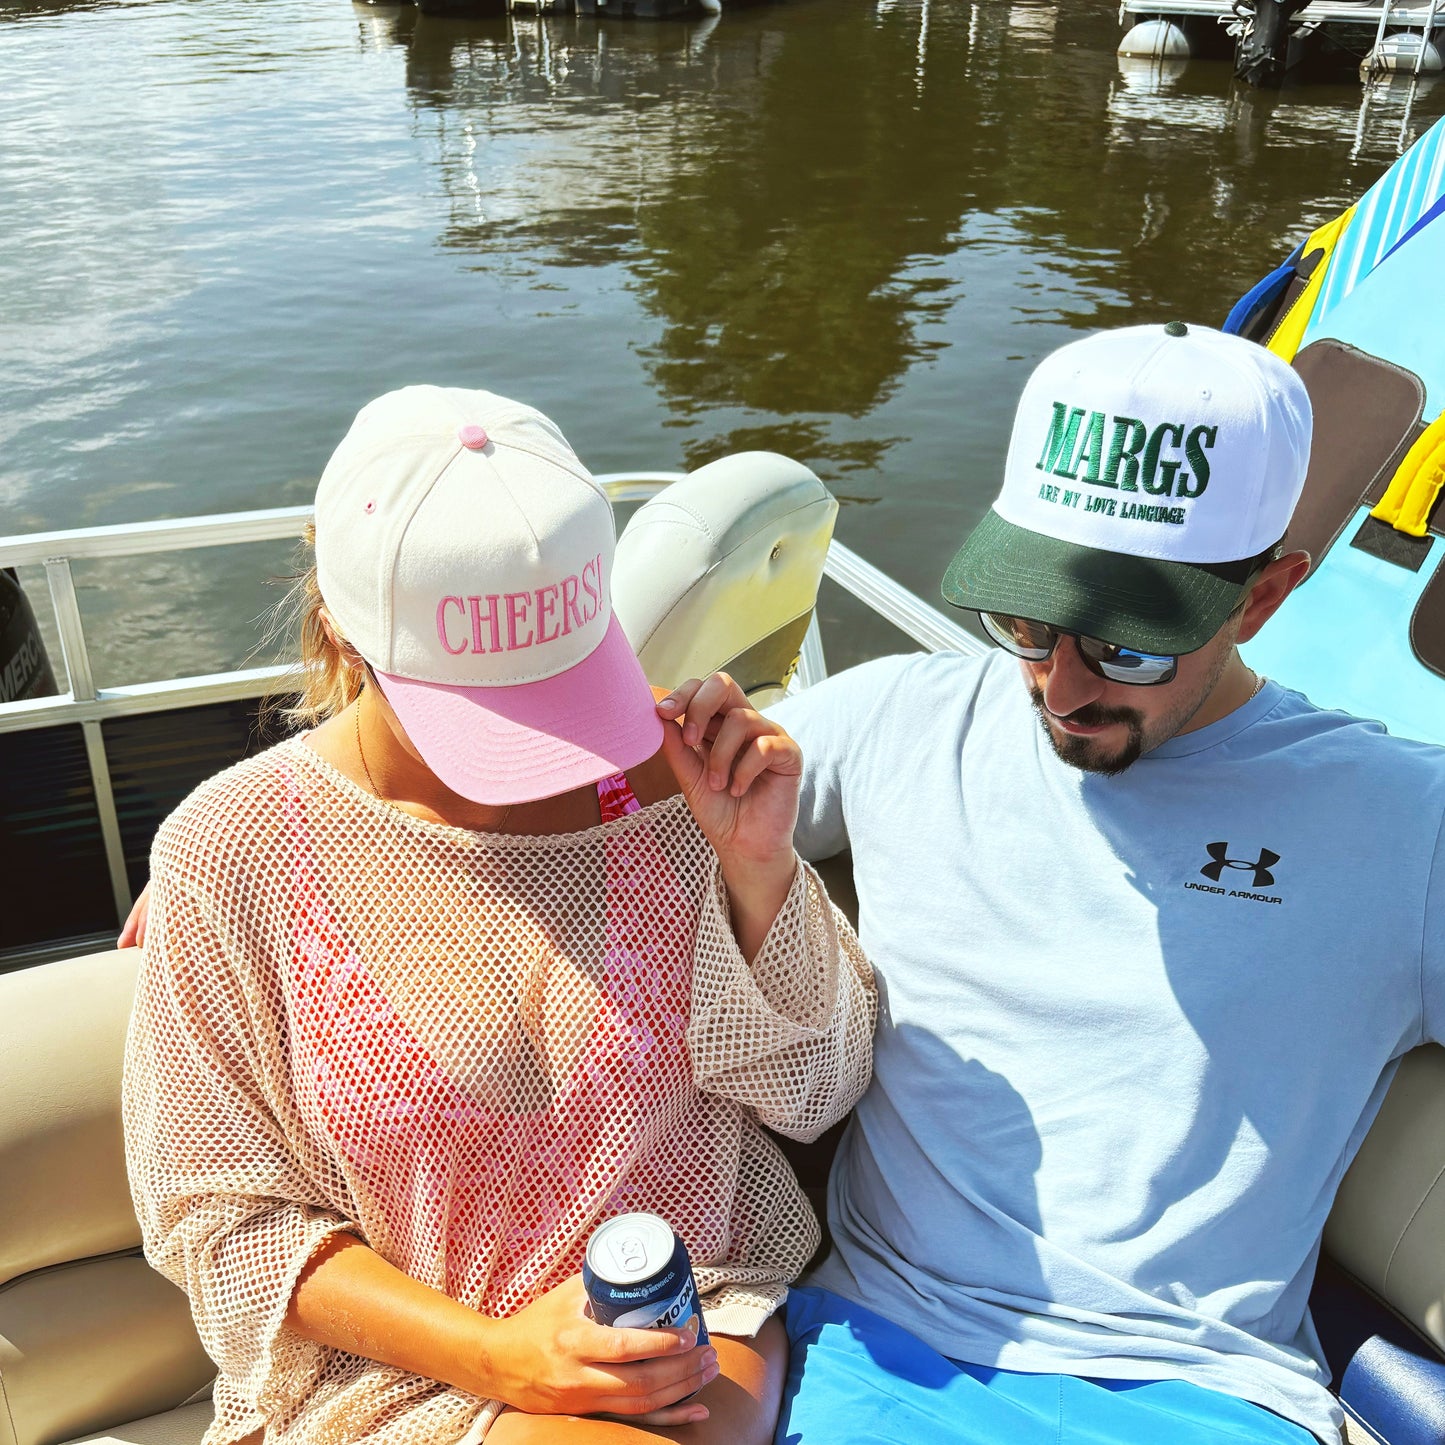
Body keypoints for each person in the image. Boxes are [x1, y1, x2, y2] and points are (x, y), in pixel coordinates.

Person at [670, 322, 1445, 1445]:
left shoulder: (1401, 816)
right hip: (863, 1352)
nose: (1059, 684)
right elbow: (605, 819)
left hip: (1198, 1396)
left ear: (1265, 595)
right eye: (1027, 619)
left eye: (1127, 645)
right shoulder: (901, 715)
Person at [121, 385, 875, 1445]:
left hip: (680, 1316)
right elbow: (223, 1217)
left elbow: (816, 1093)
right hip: (383, 1375)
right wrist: (500, 1356)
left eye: (563, 688)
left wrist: (757, 872)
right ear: (339, 621)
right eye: (486, 713)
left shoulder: (678, 794)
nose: (543, 765)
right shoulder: (230, 853)